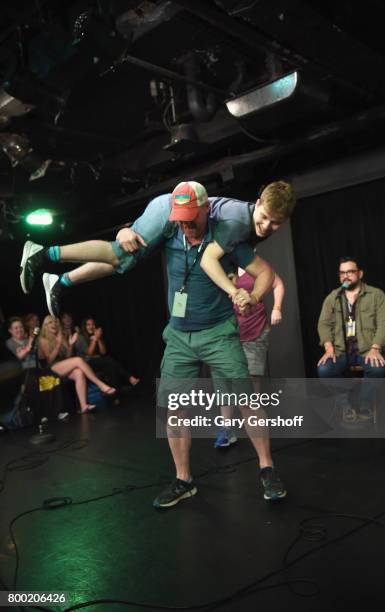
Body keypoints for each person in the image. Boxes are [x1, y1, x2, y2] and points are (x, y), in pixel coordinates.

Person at [118, 182, 284, 508]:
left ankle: (267, 470)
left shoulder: (226, 239)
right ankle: (183, 480)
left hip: (218, 333)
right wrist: (125, 230)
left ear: (206, 211)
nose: (186, 223)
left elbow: (266, 272)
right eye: (182, 218)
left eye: (193, 217)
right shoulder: (170, 235)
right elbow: (129, 243)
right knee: (174, 409)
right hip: (179, 336)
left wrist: (253, 296)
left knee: (247, 399)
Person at [19, 181, 296, 315]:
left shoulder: (249, 227)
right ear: (257, 202)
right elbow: (209, 261)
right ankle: (44, 253)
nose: (267, 226)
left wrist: (251, 293)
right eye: (265, 218)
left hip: (180, 221)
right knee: (119, 253)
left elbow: (245, 261)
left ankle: (60, 281)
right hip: (170, 212)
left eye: (275, 223)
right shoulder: (239, 221)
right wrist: (235, 291)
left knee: (124, 265)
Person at [317, 257, 385, 423]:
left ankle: (365, 404)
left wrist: (375, 348)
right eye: (342, 273)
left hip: (368, 349)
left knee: (377, 370)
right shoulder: (333, 297)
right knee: (324, 370)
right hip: (341, 350)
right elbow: (323, 324)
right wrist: (328, 347)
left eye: (350, 272)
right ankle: (346, 405)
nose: (346, 276)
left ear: (359, 273)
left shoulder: (376, 295)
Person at [214, 267, 285, 448]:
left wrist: (276, 308)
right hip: (227, 333)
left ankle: (256, 429)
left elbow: (277, 284)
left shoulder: (255, 265)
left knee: (251, 383)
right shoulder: (221, 263)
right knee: (224, 381)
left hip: (254, 330)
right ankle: (226, 429)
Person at [39, 315, 116, 414]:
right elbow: (49, 360)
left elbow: (68, 356)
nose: (54, 324)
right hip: (50, 370)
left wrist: (71, 345)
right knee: (78, 360)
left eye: (55, 322)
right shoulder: (43, 339)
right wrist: (57, 345)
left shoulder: (60, 337)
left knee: (79, 372)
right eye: (50, 322)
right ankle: (101, 385)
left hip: (63, 366)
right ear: (45, 326)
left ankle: (83, 406)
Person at [76, 317, 140, 388]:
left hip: (96, 362)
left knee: (110, 369)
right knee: (108, 359)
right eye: (88, 324)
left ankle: (115, 395)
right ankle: (130, 378)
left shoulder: (95, 336)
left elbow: (103, 352)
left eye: (93, 324)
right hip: (85, 364)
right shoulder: (80, 337)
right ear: (84, 327)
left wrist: (99, 338)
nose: (91, 327)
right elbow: (89, 354)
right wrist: (94, 340)